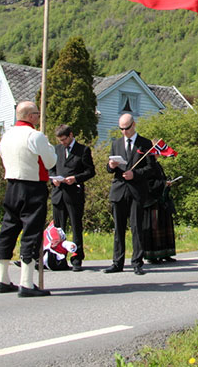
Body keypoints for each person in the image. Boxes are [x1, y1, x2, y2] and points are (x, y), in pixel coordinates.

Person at [0, 101, 57, 297]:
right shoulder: (35, 135)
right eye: (37, 114)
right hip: (32, 185)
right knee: (32, 231)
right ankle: (27, 283)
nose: (39, 117)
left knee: (9, 228)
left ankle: (3, 280)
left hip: (12, 184)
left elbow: (1, 154)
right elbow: (50, 161)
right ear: (30, 116)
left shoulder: (6, 136)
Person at [104, 113, 156, 275]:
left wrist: (136, 174)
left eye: (126, 128)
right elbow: (108, 169)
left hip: (136, 191)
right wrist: (111, 166)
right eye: (121, 129)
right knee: (118, 228)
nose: (124, 132)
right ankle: (117, 262)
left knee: (136, 227)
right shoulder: (116, 144)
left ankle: (137, 262)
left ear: (133, 125)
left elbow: (152, 168)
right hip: (119, 189)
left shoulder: (145, 143)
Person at [49, 124, 95, 272]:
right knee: (58, 230)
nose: (62, 142)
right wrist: (53, 179)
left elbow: (90, 171)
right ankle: (58, 258)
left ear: (70, 135)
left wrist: (76, 178)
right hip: (58, 194)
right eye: (60, 140)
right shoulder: (56, 150)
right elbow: (51, 168)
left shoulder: (83, 150)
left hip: (74, 194)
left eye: (64, 139)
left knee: (76, 228)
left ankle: (76, 258)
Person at [142, 151, 178, 263]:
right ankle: (153, 255)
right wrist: (163, 183)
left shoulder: (158, 164)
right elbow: (149, 183)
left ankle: (165, 253)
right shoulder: (147, 166)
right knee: (154, 228)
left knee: (164, 226)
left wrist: (166, 183)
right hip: (152, 200)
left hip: (162, 200)